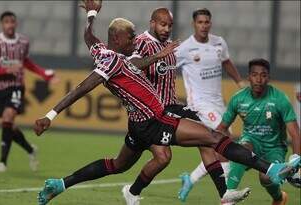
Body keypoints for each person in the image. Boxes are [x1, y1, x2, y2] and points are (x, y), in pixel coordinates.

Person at [34, 1, 299, 205]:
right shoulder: (112, 62)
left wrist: (91, 15)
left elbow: (89, 38)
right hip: (153, 119)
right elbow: (81, 89)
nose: (135, 39)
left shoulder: (103, 50)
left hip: (141, 123)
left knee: (118, 165)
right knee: (213, 138)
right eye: (131, 37)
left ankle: (60, 184)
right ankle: (270, 169)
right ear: (118, 39)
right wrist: (50, 115)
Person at [128, 7, 248, 204]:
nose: (167, 29)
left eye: (170, 25)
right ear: (152, 23)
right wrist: (157, 57)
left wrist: (239, 81)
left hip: (176, 106)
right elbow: (132, 66)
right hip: (153, 113)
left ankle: (223, 194)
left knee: (199, 144)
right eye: (162, 24)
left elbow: (226, 62)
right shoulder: (146, 43)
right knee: (210, 140)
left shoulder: (179, 45)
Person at [176, 8, 246, 203]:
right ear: (194, 24)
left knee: (217, 147)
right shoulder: (184, 49)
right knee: (225, 145)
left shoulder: (219, 42)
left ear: (210, 23)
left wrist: (240, 83)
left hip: (218, 104)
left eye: (207, 22)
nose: (204, 26)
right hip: (199, 105)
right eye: (200, 22)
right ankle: (227, 198)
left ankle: (190, 179)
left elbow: (227, 62)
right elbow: (166, 67)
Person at [216, 58, 300, 205]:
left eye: (263, 75)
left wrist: (295, 160)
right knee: (240, 150)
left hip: (274, 148)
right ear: (248, 76)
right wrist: (223, 155)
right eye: (254, 75)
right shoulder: (238, 99)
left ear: (268, 77)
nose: (259, 79)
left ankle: (279, 198)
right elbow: (221, 129)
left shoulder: (280, 99)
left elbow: (294, 132)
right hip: (251, 141)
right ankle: (227, 200)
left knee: (266, 177)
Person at [0, 11, 56, 172]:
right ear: (2, 24)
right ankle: (30, 150)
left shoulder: (23, 42)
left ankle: (2, 162)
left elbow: (26, 62)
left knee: (8, 116)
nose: (10, 24)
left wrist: (44, 74)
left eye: (12, 21)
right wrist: (7, 69)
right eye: (6, 22)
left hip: (16, 87)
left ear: (16, 24)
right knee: (9, 126)